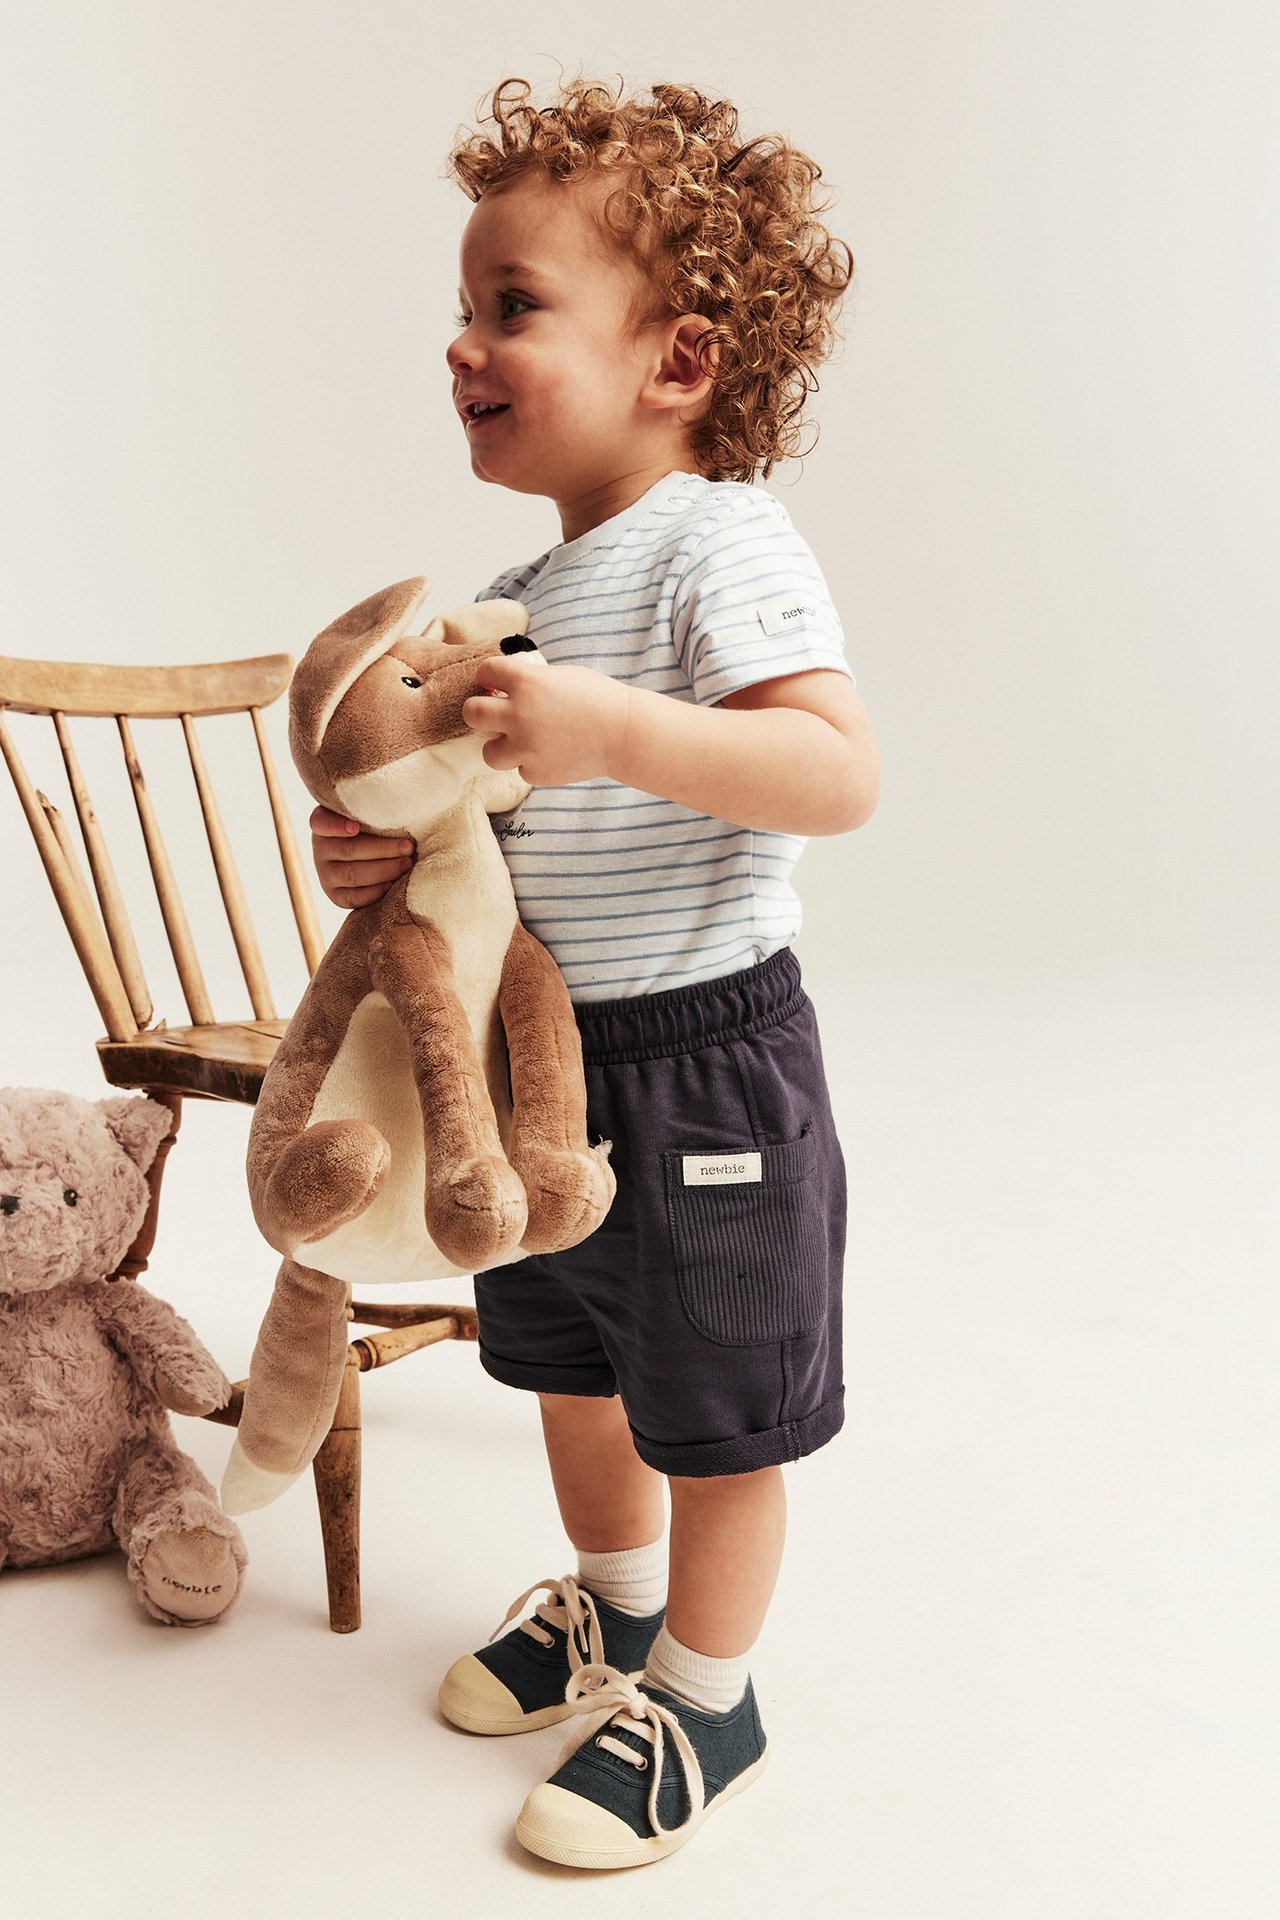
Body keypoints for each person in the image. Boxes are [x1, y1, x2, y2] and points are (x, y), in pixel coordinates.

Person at [311, 74, 881, 1870]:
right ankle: (614, 1607)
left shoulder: (724, 547)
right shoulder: (510, 594)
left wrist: (611, 728)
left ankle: (711, 1698)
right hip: (547, 1066)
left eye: (513, 304)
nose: (463, 342)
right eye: (466, 306)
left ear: (681, 362)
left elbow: (835, 774)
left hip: (708, 1056)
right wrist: (385, 851)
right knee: (568, 1359)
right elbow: (491, 829)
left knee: (715, 1401)